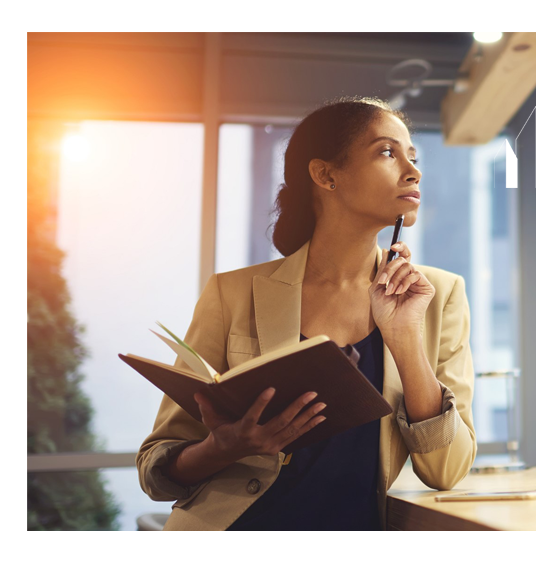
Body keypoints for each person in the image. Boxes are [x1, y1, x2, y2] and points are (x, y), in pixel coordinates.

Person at [135, 96, 477, 531]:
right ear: (326, 175)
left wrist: (405, 339)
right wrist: (224, 447)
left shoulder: (438, 295)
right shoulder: (232, 293)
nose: (414, 171)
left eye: (412, 156)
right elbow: (155, 468)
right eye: (387, 152)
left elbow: (447, 471)